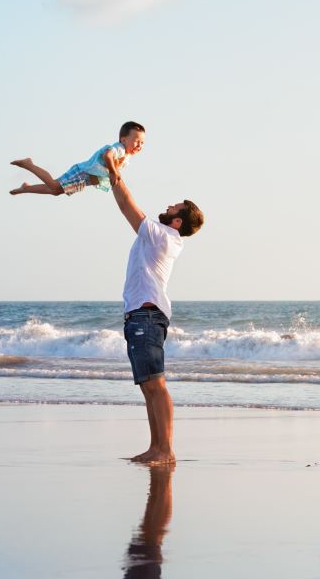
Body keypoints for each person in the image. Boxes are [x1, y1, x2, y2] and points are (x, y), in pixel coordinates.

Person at [111, 170, 204, 464]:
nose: (168, 207)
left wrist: (114, 172)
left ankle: (164, 449)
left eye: (173, 208)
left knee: (156, 384)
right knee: (147, 385)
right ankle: (156, 448)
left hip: (147, 316)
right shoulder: (160, 236)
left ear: (177, 221)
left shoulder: (163, 236)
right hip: (141, 315)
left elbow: (128, 206)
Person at [8, 121, 145, 197]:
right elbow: (107, 155)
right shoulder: (119, 148)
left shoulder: (126, 156)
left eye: (142, 143)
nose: (139, 145)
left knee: (56, 191)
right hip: (82, 172)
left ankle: (26, 188)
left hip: (85, 180)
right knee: (55, 185)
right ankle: (29, 164)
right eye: (136, 141)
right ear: (124, 139)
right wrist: (114, 172)